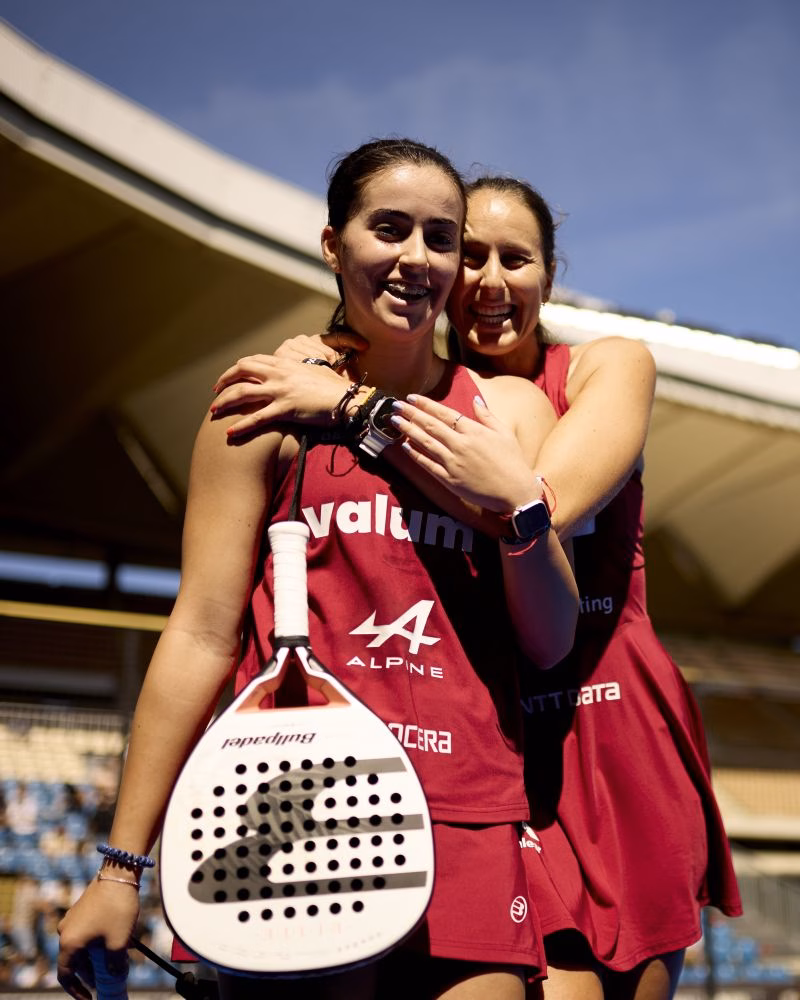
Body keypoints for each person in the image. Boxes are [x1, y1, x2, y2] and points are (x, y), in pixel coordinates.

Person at [56, 138, 579, 1000]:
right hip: (288, 802)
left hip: (469, 809)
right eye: (389, 229)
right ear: (334, 245)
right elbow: (200, 631)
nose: (418, 258)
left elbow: (551, 640)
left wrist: (520, 512)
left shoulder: (506, 412)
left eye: (440, 237)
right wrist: (121, 868)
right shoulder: (261, 407)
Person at [212, 174, 742, 1000]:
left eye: (518, 259)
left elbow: (536, 505)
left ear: (551, 275)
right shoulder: (436, 396)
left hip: (604, 728)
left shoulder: (604, 367)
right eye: (477, 257)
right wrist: (325, 363)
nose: (492, 282)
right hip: (490, 740)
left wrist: (352, 404)